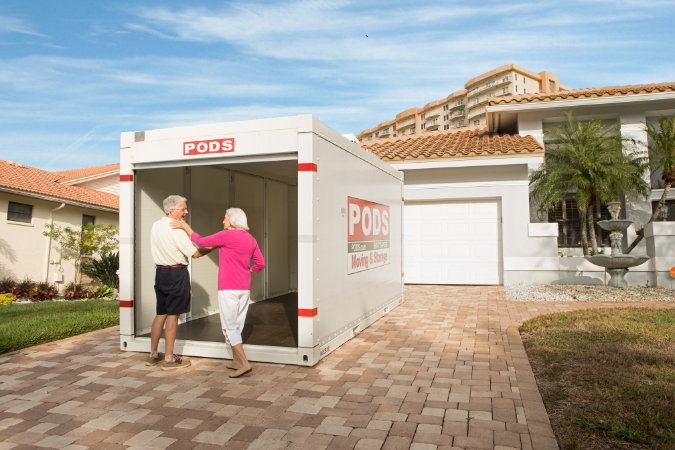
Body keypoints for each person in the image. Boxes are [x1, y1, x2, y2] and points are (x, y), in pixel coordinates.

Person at [171, 207, 265, 378]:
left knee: (229, 326)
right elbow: (261, 263)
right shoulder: (251, 239)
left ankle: (244, 363)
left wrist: (184, 225)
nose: (223, 221)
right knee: (237, 324)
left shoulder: (227, 235)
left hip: (228, 287)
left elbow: (200, 240)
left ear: (233, 220)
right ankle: (236, 361)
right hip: (244, 287)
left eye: (225, 218)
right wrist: (252, 270)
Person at [147, 195, 212, 370]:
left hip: (160, 273)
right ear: (172, 210)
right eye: (183, 209)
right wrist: (214, 244)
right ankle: (169, 358)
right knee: (173, 316)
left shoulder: (155, 225)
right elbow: (195, 254)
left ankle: (153, 355)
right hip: (176, 274)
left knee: (161, 313)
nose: (186, 212)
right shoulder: (176, 230)